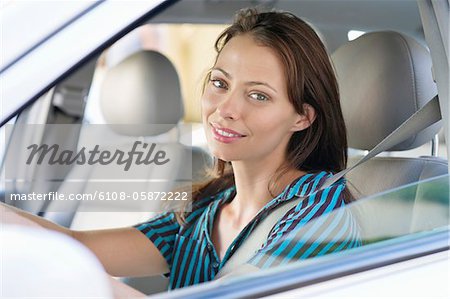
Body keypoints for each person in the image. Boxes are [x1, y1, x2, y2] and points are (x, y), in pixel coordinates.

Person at [0, 8, 361, 296]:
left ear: (302, 117)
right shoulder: (205, 209)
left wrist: (84, 285)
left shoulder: (321, 209)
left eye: (258, 95)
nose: (226, 109)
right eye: (220, 83)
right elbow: (76, 246)